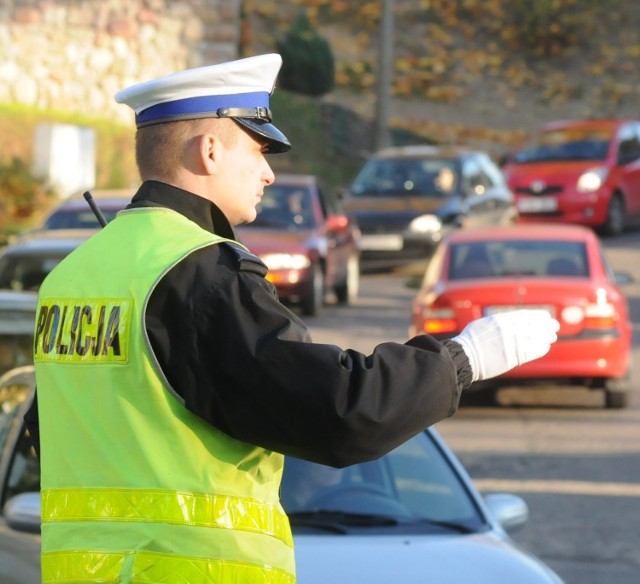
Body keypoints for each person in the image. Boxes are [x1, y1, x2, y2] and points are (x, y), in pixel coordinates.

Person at [26, 53, 559, 583]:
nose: (269, 171)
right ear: (210, 150)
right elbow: (338, 411)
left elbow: (53, 437)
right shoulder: (201, 273)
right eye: (258, 150)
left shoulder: (72, 277)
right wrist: (463, 358)